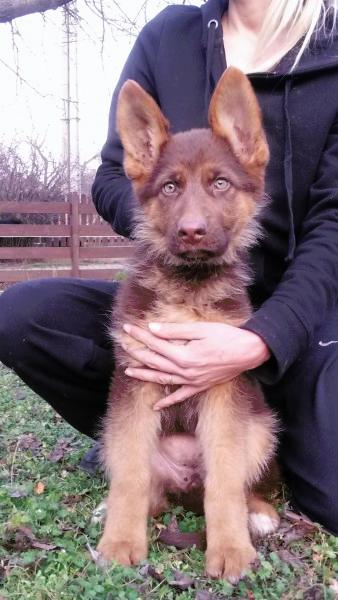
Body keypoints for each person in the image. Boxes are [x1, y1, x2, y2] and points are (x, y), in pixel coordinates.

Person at [1, 0, 338, 535]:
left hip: (306, 315)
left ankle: (244, 465)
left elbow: (334, 221)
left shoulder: (332, 44)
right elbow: (115, 174)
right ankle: (146, 456)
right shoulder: (169, 36)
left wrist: (264, 337)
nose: (194, 219)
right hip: (166, 283)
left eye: (217, 185)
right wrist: (161, 211)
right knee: (24, 316)